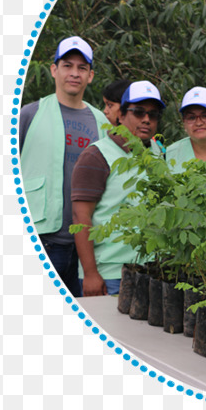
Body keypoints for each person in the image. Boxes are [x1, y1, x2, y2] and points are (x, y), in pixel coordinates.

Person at [20, 36, 108, 297]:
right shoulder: (29, 115)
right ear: (53, 69)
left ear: (90, 75)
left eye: (82, 68)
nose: (74, 73)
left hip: (89, 246)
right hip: (42, 239)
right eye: (67, 65)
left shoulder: (101, 122)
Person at [70, 81, 165, 296]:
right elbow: (80, 217)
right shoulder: (96, 155)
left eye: (153, 114)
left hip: (150, 271)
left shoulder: (157, 152)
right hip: (111, 274)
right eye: (138, 112)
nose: (146, 120)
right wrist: (91, 274)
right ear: (120, 115)